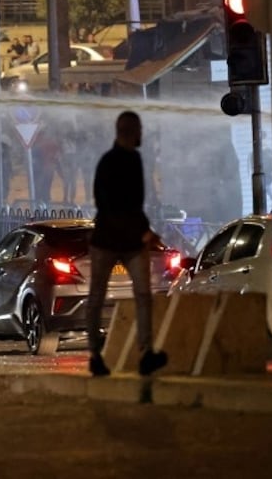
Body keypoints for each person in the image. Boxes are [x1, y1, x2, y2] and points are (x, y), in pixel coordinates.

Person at [86, 110, 167, 378]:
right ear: (131, 132)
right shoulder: (113, 163)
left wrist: (143, 230)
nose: (142, 134)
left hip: (116, 239)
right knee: (133, 295)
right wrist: (143, 231)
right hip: (115, 240)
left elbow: (130, 203)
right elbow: (114, 204)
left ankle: (138, 353)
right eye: (139, 129)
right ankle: (100, 354)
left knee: (113, 296)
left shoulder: (130, 159)